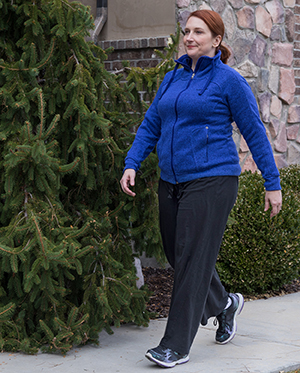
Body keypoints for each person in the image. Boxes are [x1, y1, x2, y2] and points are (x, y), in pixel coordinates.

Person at [120, 9, 282, 369]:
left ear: (216, 40)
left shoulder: (229, 81)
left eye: (198, 31)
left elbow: (254, 131)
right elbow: (151, 123)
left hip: (213, 179)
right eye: (187, 31)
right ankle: (226, 304)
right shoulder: (172, 78)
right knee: (180, 255)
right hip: (172, 180)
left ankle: (175, 346)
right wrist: (132, 162)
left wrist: (273, 184)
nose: (189, 37)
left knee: (191, 261)